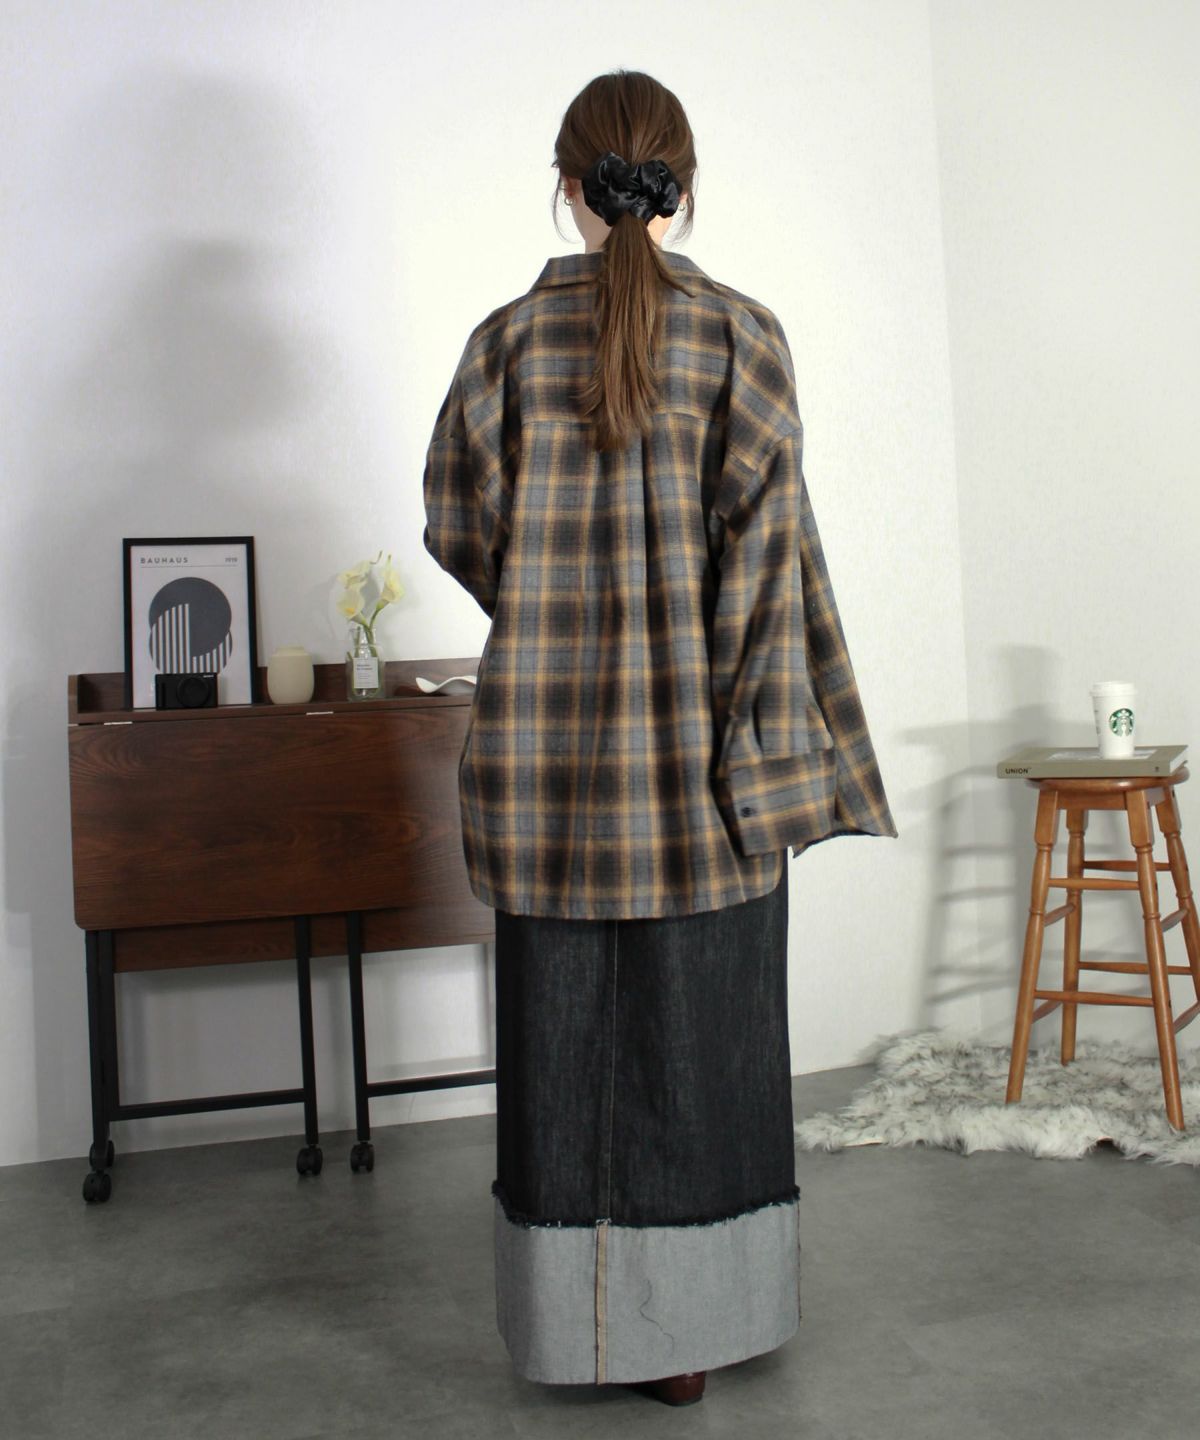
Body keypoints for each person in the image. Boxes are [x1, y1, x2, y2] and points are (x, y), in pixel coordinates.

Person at [422, 69, 896, 1407]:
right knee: (707, 1056)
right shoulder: (744, 336)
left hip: (544, 781)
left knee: (564, 1057)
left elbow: (458, 525)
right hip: (704, 782)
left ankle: (577, 1333)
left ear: (565, 186)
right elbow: (768, 568)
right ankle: (700, 1327)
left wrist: (552, 604)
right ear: (684, 187)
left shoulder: (503, 345)